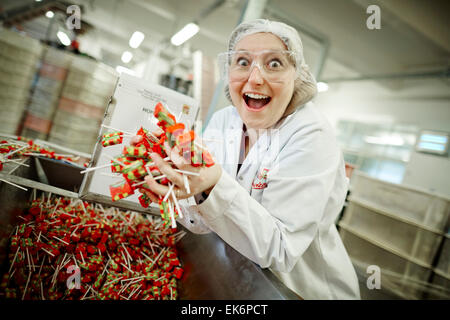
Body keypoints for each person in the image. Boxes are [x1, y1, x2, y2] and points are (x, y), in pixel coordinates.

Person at [136, 19, 360, 300]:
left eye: (274, 63)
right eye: (242, 61)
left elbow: (279, 250)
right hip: (237, 274)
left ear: (297, 75)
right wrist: (172, 177)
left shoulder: (312, 136)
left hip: (295, 291)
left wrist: (213, 184)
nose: (255, 78)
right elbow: (208, 219)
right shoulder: (223, 121)